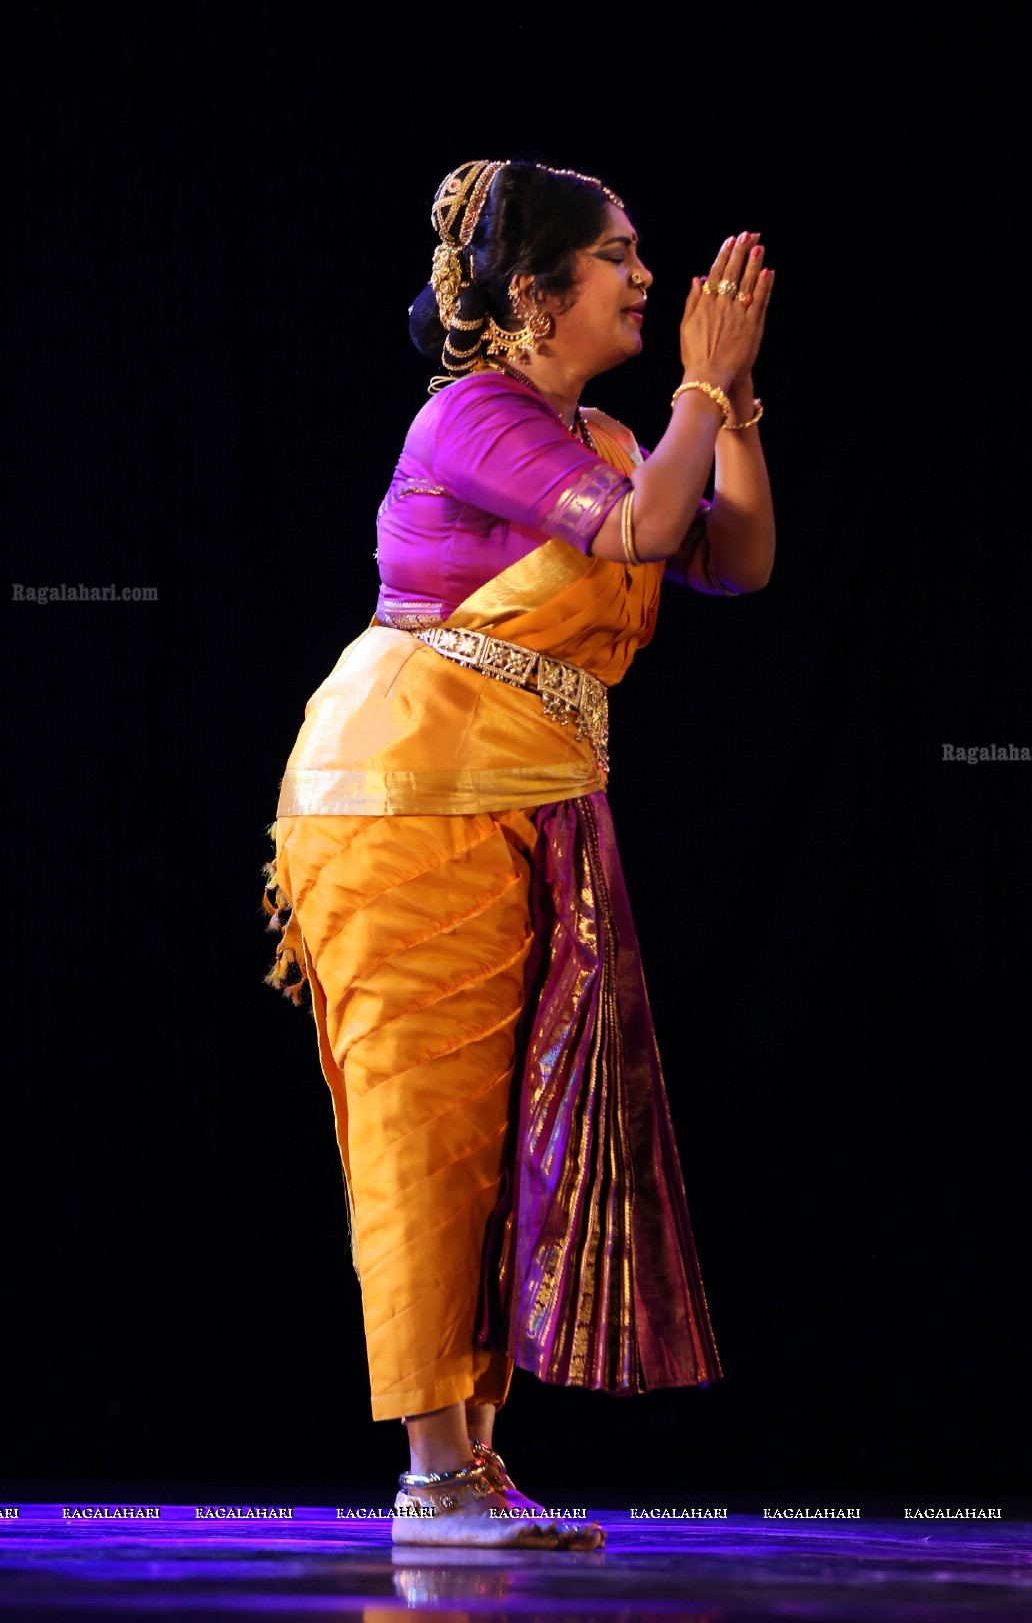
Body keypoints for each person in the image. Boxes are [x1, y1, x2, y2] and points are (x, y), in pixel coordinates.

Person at [262, 159, 775, 1549]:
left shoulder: (605, 434)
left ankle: (476, 1474)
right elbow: (645, 533)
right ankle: (433, 1477)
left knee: (509, 1134)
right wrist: (699, 392)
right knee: (431, 1127)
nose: (644, 277)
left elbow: (731, 553)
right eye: (617, 255)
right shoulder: (475, 420)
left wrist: (726, 404)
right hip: (400, 802)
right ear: (537, 295)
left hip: (521, 808)